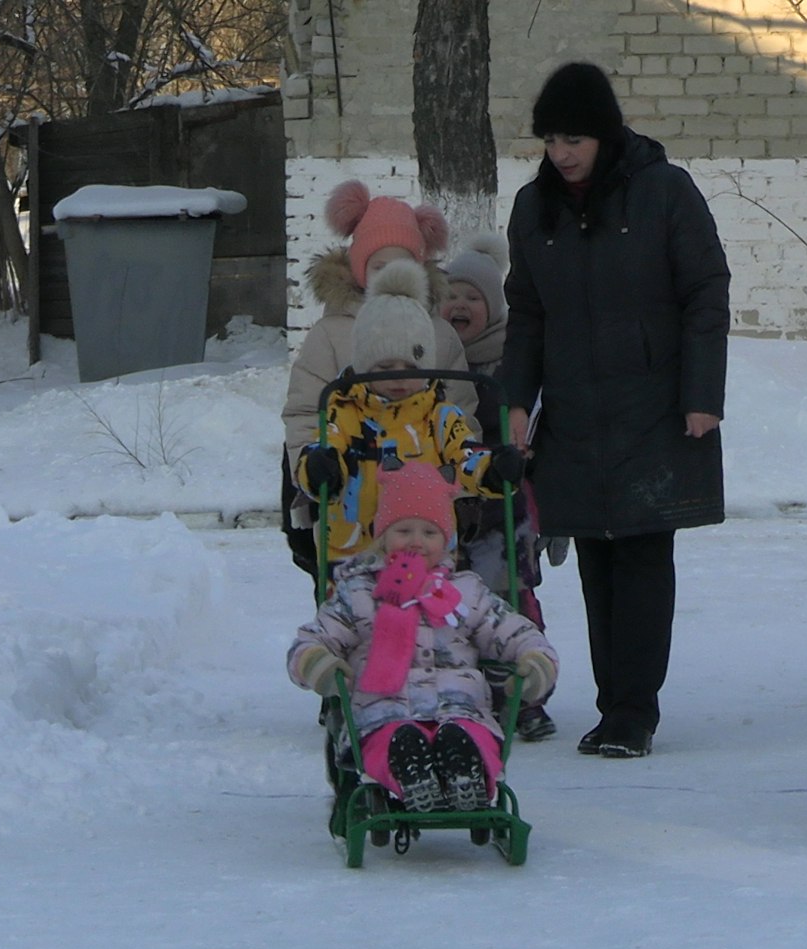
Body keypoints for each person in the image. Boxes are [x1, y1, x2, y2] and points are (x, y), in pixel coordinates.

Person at [499, 61, 731, 759]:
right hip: (574, 411)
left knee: (641, 552)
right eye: (550, 140)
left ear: (604, 133)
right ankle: (612, 708)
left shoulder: (663, 192)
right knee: (595, 557)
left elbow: (705, 293)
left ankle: (634, 712)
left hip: (654, 406)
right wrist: (516, 403)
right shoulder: (533, 208)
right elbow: (527, 315)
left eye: (574, 139)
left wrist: (702, 398)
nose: (561, 154)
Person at [287, 462, 558, 812]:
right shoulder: (359, 592)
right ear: (381, 536)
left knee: (473, 736)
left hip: (461, 708)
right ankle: (412, 773)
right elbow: (313, 640)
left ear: (447, 542)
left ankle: (466, 771)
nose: (416, 542)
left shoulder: (465, 592)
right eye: (404, 530)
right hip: (384, 710)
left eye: (429, 533)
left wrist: (535, 660)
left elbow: (515, 631)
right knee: (390, 740)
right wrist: (318, 663)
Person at [281, 180, 473, 581]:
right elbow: (305, 412)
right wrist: (313, 469)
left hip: (425, 517)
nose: (389, 277)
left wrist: (462, 490)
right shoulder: (332, 333)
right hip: (352, 508)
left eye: (402, 265)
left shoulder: (437, 334)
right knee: (354, 617)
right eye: (378, 266)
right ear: (358, 268)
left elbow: (461, 414)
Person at [294, 259, 520, 564]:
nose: (398, 377)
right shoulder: (345, 412)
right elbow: (323, 449)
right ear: (363, 367)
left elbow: (464, 456)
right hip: (354, 558)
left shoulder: (440, 417)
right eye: (385, 368)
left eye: (410, 368)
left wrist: (493, 471)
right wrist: (320, 468)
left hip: (426, 556)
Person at [440, 233, 558, 743]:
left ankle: (525, 692)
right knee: (451, 603)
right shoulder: (431, 363)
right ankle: (460, 689)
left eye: (473, 297)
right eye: (451, 295)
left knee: (510, 597)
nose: (460, 305)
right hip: (448, 502)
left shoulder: (510, 360)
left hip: (505, 504)